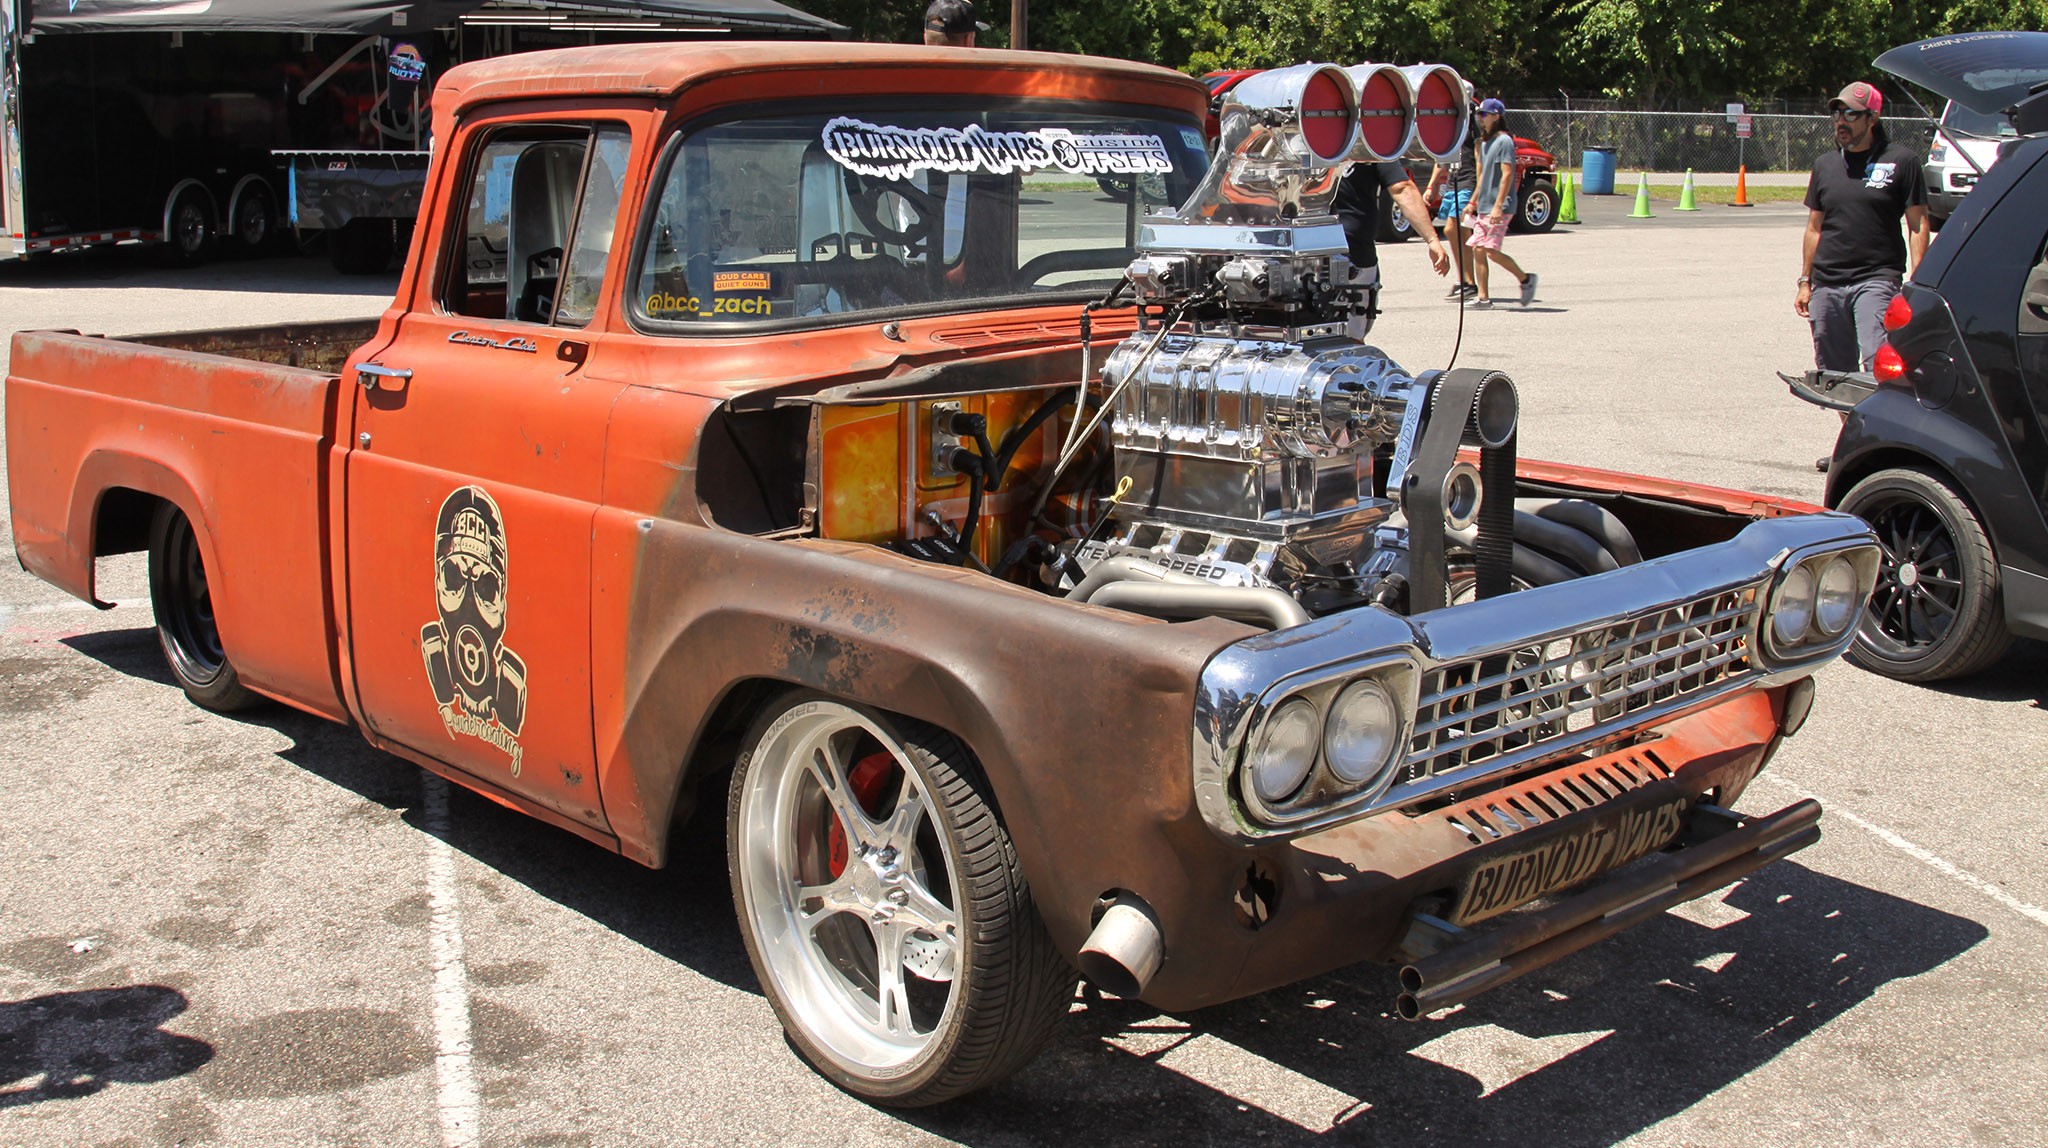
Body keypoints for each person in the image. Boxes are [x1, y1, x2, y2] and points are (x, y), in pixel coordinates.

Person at [1795, 80, 1929, 471]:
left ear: (1872, 117)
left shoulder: (1901, 161)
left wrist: (1917, 280)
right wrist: (1805, 281)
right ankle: (1856, 445)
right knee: (1834, 372)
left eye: (1851, 113)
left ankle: (1886, 445)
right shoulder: (1824, 165)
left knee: (1877, 362)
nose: (1841, 121)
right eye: (1838, 113)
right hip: (1828, 281)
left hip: (1877, 276)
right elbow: (1814, 227)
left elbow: (1917, 223)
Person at [1332, 156, 1452, 327]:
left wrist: (1432, 239)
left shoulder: (1299, 141)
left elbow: (1402, 188)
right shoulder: (1367, 143)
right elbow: (1402, 189)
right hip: (1351, 257)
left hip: (1305, 256)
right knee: (1350, 340)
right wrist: (1432, 240)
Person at [1465, 98, 1536, 309]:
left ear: (1496, 116)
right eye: (1479, 114)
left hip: (1500, 206)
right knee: (1478, 248)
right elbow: (1483, 177)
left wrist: (1498, 205)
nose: (1480, 118)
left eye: (1484, 114)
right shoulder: (1485, 143)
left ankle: (1526, 279)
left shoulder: (1504, 142)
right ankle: (1483, 297)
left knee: (1490, 250)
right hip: (1484, 205)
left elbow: (1507, 175)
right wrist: (1473, 201)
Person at [1425, 103, 1482, 300]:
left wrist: (1477, 189)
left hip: (1468, 180)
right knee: (1454, 230)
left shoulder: (1473, 124)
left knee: (1454, 228)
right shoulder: (1451, 123)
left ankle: (1469, 282)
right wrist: (1431, 186)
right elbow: (1442, 157)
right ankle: (1464, 280)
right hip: (1452, 182)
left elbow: (1479, 154)